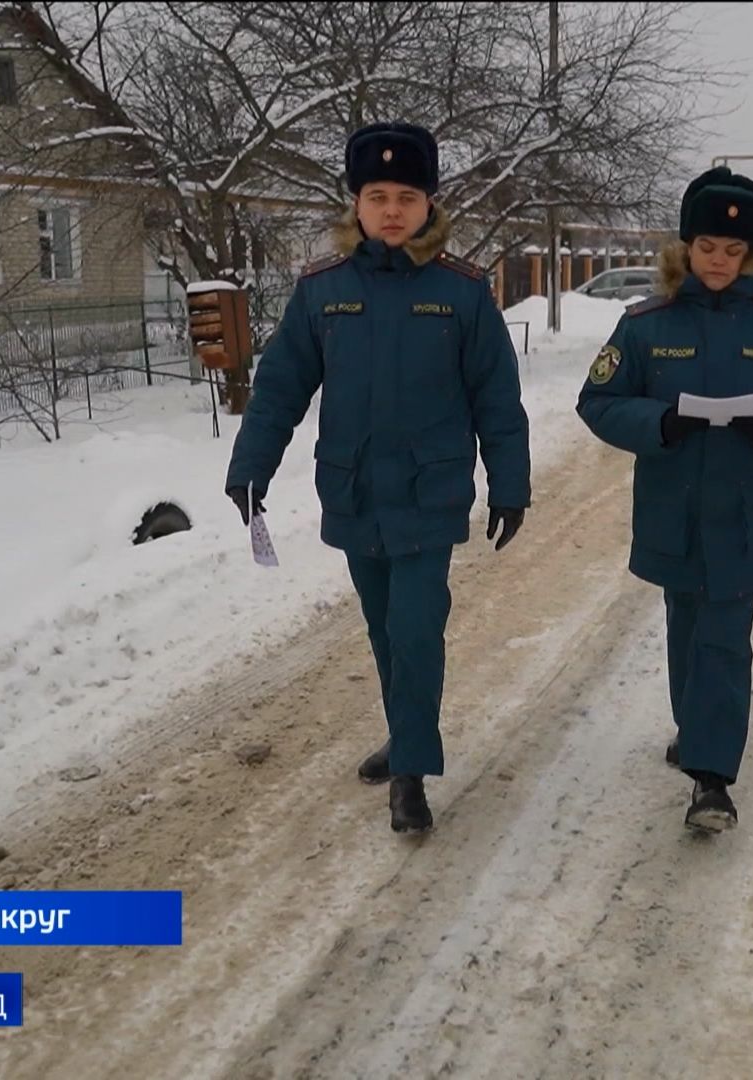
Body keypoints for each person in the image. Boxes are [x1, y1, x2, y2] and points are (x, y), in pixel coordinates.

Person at [225, 122, 532, 835]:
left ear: (430, 205)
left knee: (417, 630)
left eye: (407, 196)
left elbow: (496, 398)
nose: (392, 210)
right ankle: (406, 732)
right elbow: (279, 390)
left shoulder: (461, 293)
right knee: (385, 631)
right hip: (355, 491)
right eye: (376, 196)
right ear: (355, 205)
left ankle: (411, 774)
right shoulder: (322, 292)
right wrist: (250, 467)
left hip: (429, 494)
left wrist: (509, 483)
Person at [575, 166, 753, 833]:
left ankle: (711, 780)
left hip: (750, 511)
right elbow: (599, 401)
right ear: (686, 248)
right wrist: (658, 423)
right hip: (673, 507)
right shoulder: (644, 325)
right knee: (686, 629)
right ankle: (695, 729)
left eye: (733, 251)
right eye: (707, 248)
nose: (719, 261)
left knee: (724, 637)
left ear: (750, 254)